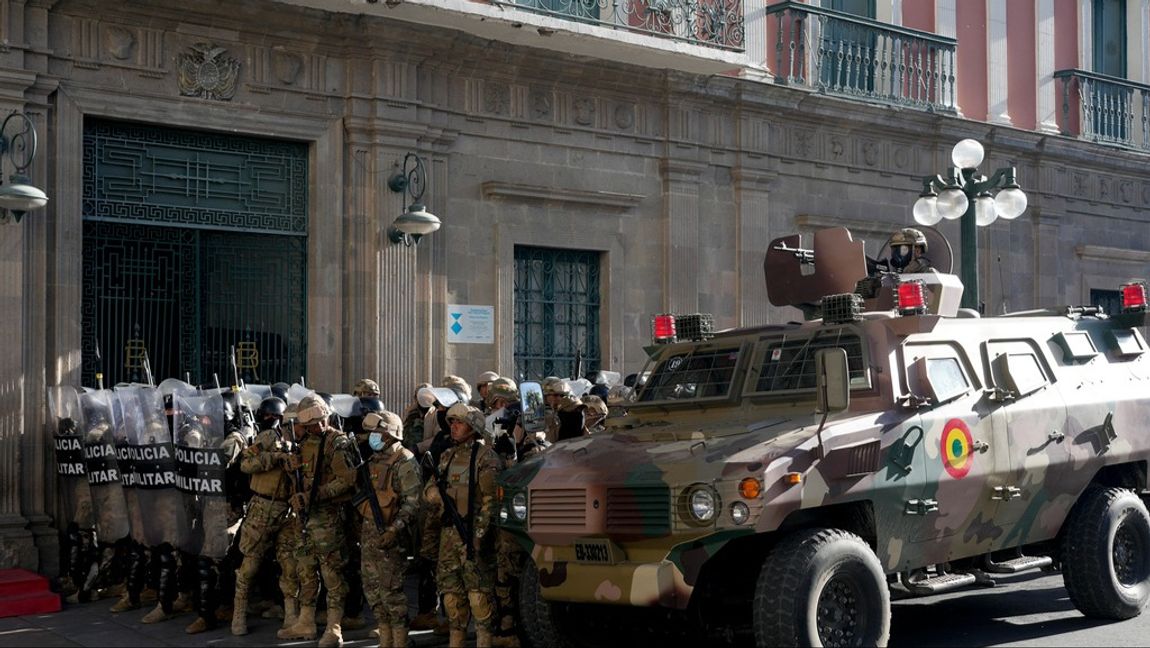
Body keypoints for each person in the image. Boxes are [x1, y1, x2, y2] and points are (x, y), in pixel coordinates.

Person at [279, 394, 358, 647]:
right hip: (304, 521)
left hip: (328, 520)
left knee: (332, 574)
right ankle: (306, 620)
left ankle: (334, 627)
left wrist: (316, 493)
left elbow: (347, 480)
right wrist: (292, 469)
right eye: (313, 424)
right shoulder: (304, 442)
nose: (319, 427)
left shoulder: (337, 443)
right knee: (305, 571)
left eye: (323, 421)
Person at [422, 403, 502, 647]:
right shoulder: (448, 455)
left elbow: (491, 502)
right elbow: (431, 488)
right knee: (451, 596)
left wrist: (478, 536)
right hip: (448, 535)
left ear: (474, 428)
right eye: (452, 423)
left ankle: (483, 641)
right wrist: (433, 493)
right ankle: (456, 640)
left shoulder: (485, 457)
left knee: (479, 595)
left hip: (471, 536)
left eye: (460, 423)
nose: (454, 427)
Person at [230, 397, 303, 637]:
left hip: (289, 511)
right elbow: (246, 463)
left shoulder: (306, 444)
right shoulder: (269, 438)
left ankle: (291, 615)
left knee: (289, 566)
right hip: (263, 507)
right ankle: (238, 613)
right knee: (250, 563)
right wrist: (274, 457)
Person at [356, 410, 422, 648]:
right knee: (372, 589)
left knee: (392, 591)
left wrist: (395, 529)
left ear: (391, 435)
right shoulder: (373, 461)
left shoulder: (404, 461)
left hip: (392, 536)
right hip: (370, 534)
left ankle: (400, 640)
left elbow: (413, 501)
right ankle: (385, 637)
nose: (373, 437)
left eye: (378, 433)